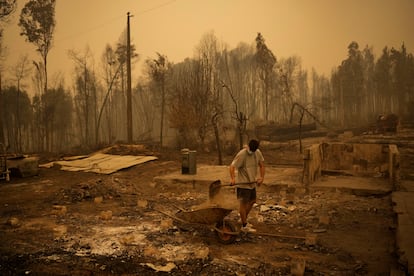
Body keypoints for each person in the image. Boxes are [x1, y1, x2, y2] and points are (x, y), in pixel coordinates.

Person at [229, 139, 265, 233]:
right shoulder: (242, 154)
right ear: (248, 146)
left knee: (253, 201)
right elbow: (232, 166)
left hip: (252, 183)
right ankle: (244, 226)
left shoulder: (257, 153)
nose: (250, 152)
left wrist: (261, 177)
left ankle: (243, 218)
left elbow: (262, 165)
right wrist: (233, 178)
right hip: (243, 184)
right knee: (243, 205)